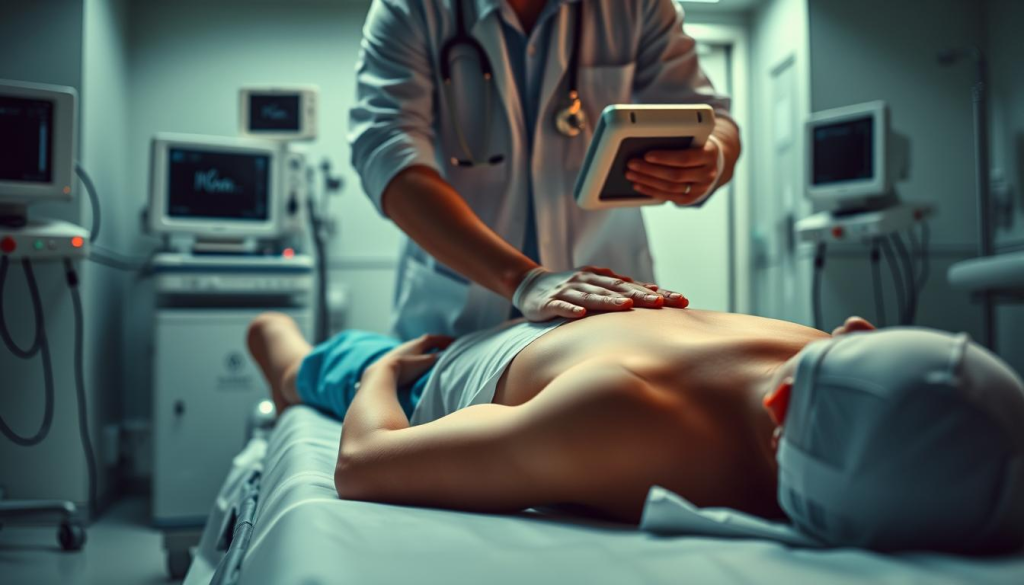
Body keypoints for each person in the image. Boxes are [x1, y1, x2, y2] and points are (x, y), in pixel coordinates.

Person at [247, 309, 1024, 553]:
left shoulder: (819, 345)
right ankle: (281, 334)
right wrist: (387, 377)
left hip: (562, 337)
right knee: (305, 368)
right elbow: (365, 461)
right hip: (442, 371)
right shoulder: (619, 415)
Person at [349, 0, 741, 339]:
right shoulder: (412, 9)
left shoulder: (638, 6)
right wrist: (522, 280)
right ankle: (286, 348)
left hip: (608, 308)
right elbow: (388, 154)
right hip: (462, 319)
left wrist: (713, 157)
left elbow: (716, 121)